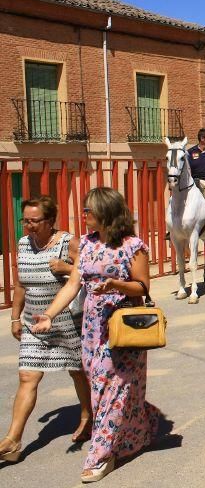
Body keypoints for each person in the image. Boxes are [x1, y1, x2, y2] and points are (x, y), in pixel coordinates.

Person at [32, 188, 162, 482]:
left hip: (123, 325)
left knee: (111, 389)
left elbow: (143, 287)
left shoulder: (133, 246)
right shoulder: (88, 244)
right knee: (101, 386)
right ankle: (138, 431)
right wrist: (50, 315)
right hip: (93, 327)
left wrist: (116, 284)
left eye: (88, 210)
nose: (84, 215)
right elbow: (73, 284)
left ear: (105, 212)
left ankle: (101, 455)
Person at [1, 197, 91, 464]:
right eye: (25, 220)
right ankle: (12, 440)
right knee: (28, 376)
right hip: (34, 322)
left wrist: (67, 267)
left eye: (34, 221)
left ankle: (87, 416)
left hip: (67, 322)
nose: (28, 225)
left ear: (50, 221)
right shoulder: (23, 244)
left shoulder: (69, 242)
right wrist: (15, 318)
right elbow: (21, 283)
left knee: (78, 372)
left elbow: (91, 272)